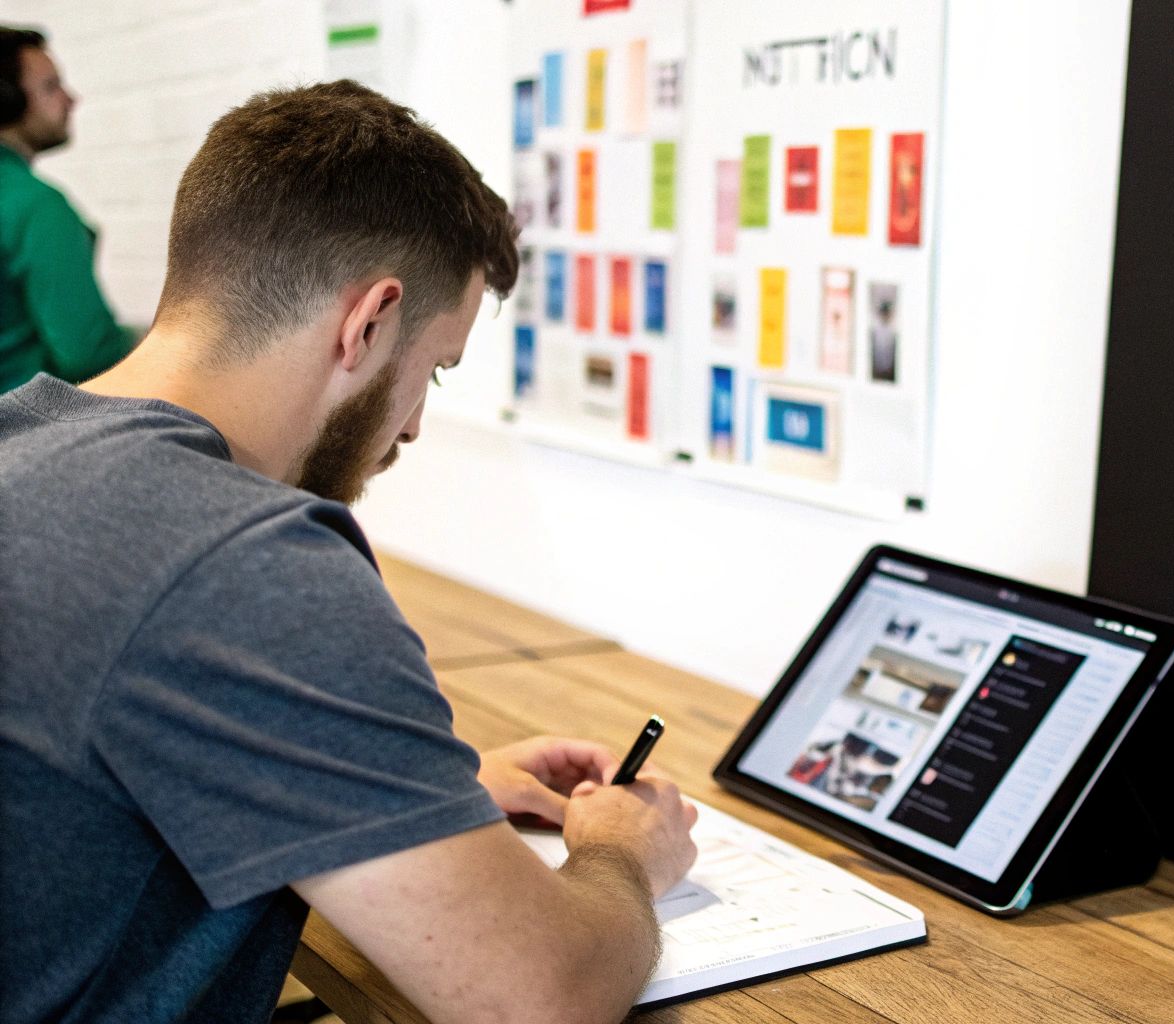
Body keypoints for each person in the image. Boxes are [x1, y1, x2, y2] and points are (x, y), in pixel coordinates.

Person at [0, 81, 697, 1023]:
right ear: (369, 323)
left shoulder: (23, 441)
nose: (411, 427)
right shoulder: (242, 555)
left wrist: (398, 800)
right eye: (435, 370)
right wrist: (622, 852)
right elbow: (541, 999)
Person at [0, 26, 136, 391]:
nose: (70, 99)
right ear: (8, 99)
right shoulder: (35, 206)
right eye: (51, 86)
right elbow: (87, 354)